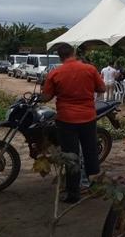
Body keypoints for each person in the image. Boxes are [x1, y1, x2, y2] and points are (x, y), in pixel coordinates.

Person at [39, 43, 105, 203]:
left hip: (66, 120)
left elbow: (46, 97)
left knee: (71, 156)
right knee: (90, 152)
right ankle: (94, 187)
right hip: (88, 118)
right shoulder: (90, 69)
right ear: (73, 52)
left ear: (60, 56)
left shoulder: (55, 73)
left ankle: (73, 194)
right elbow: (102, 88)